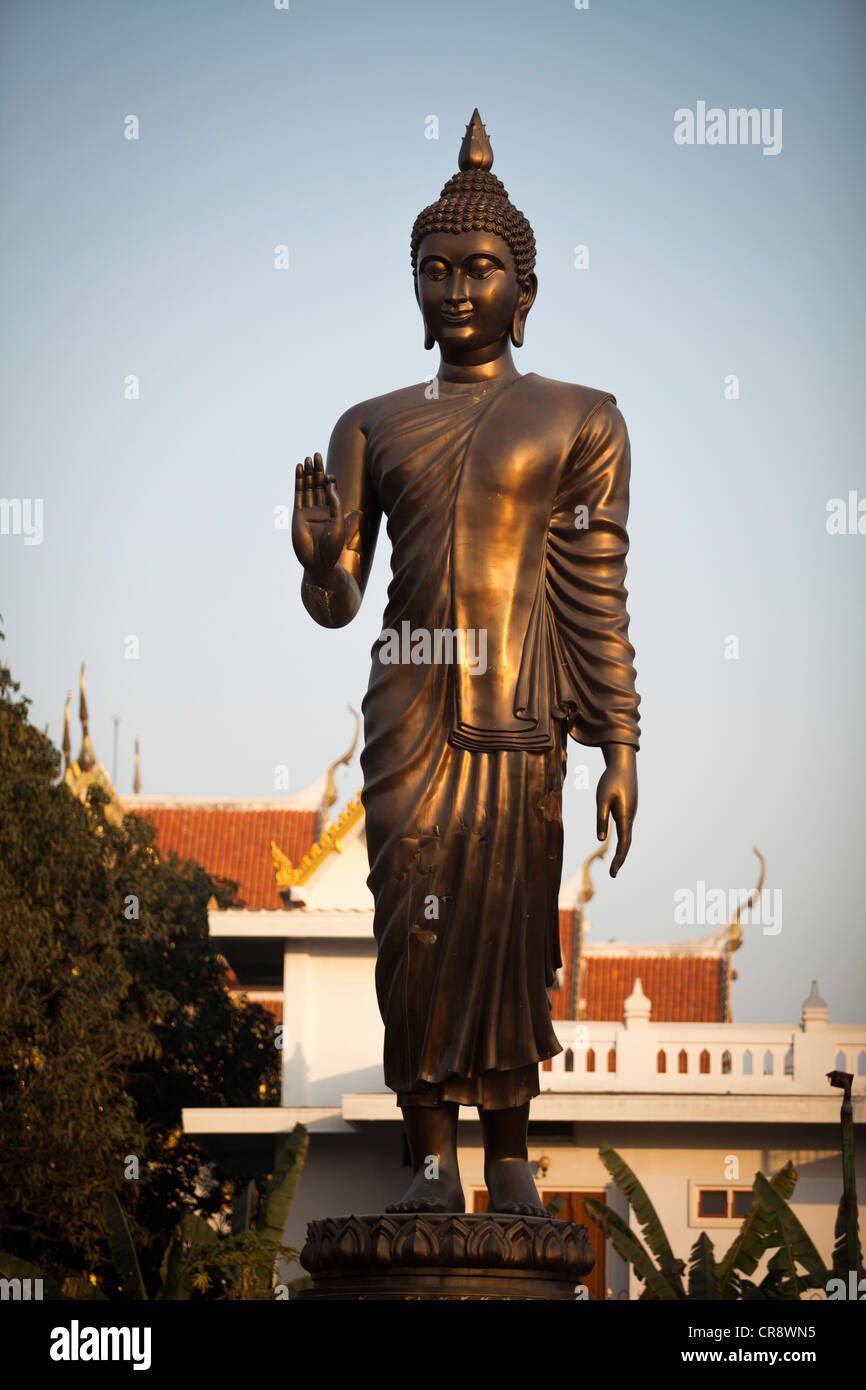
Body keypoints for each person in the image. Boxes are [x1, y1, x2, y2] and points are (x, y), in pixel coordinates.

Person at [292, 111, 640, 1216]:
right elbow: (340, 603)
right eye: (433, 270)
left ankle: (510, 1154)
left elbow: (593, 592)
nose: (453, 290)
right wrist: (313, 565)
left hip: (517, 717)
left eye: (478, 270)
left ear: (524, 291)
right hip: (408, 713)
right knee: (418, 932)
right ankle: (431, 1158)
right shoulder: (371, 423)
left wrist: (622, 740)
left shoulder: (578, 417)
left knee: (505, 931)